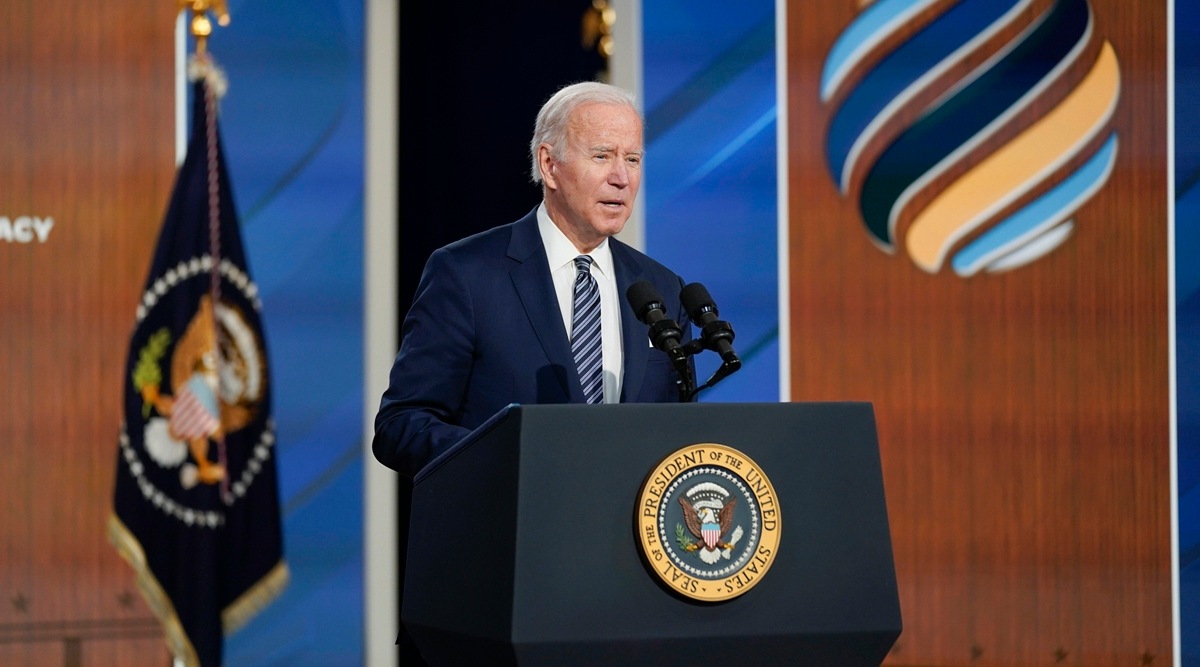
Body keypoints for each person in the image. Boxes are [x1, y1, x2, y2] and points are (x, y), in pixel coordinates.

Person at [373, 81, 692, 477]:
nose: (621, 178)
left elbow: (682, 432)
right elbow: (402, 424)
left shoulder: (661, 288)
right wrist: (511, 463)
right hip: (509, 527)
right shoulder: (466, 275)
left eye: (632, 159)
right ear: (549, 165)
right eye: (601, 156)